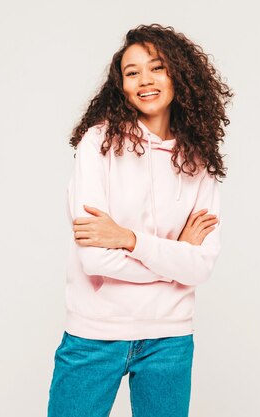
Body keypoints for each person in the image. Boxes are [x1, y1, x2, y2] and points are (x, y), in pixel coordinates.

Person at [47, 23, 233, 417]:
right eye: (132, 73)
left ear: (178, 76)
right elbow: (96, 259)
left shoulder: (200, 158)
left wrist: (130, 240)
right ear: (122, 85)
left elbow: (200, 266)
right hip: (95, 334)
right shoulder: (99, 144)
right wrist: (175, 256)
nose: (144, 81)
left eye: (157, 68)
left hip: (169, 338)